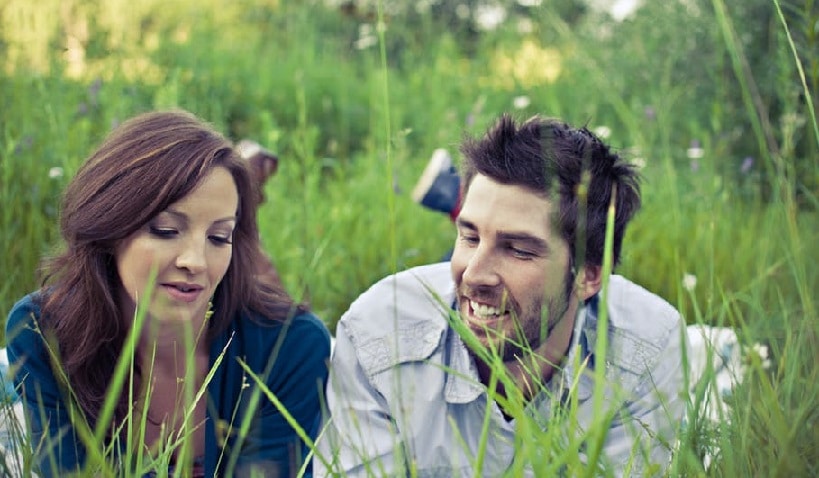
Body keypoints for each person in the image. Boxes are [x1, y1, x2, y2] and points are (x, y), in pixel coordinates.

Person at [315, 114, 689, 476]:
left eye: (519, 250)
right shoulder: (379, 332)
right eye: (470, 236)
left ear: (589, 275)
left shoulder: (648, 347)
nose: (473, 275)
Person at [5, 110, 331, 477]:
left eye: (219, 237)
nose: (196, 262)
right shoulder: (42, 332)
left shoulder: (292, 347)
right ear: (110, 225)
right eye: (164, 230)